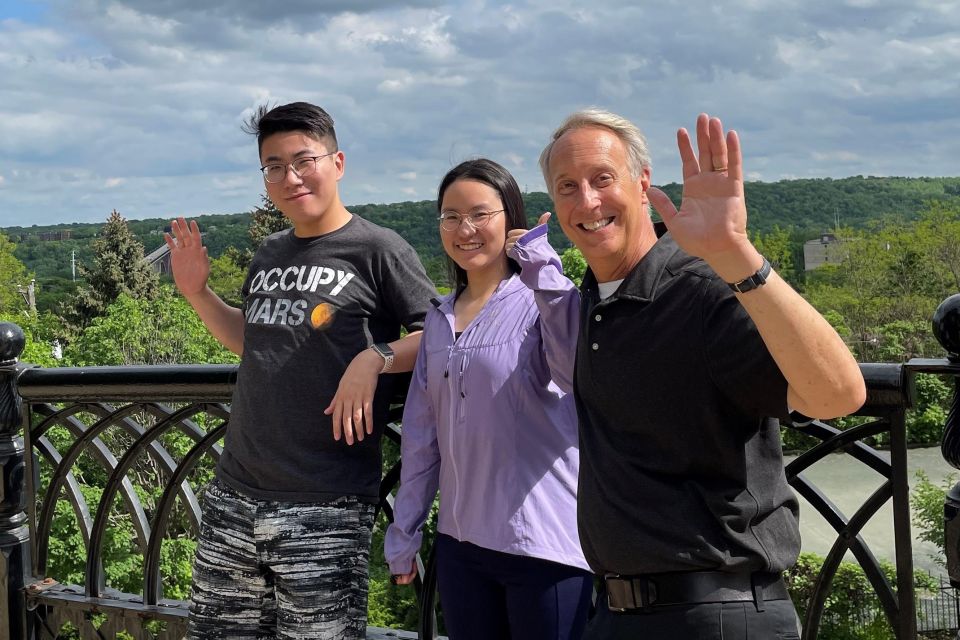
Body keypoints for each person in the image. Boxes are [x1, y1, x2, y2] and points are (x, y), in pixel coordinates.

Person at [528, 109, 867, 639]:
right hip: (618, 614)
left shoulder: (703, 290)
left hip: (716, 613)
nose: (587, 202)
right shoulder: (594, 301)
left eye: (602, 179)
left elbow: (838, 394)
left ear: (643, 184)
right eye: (568, 186)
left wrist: (736, 254)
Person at [165, 101, 437, 639]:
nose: (290, 177)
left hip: (325, 502)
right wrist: (197, 293)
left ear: (337, 162)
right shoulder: (269, 252)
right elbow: (255, 339)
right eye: (273, 166)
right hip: (235, 493)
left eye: (303, 160)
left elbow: (441, 336)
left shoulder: (379, 249)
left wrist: (374, 357)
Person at [384, 159, 593, 640]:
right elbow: (421, 440)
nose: (466, 229)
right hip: (461, 547)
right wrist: (404, 534)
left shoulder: (539, 299)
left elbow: (573, 369)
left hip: (542, 545)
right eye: (451, 216)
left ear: (509, 217)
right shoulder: (437, 319)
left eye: (481, 214)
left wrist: (543, 267)